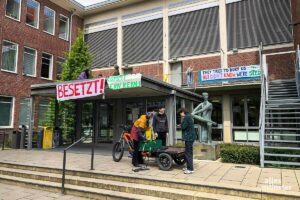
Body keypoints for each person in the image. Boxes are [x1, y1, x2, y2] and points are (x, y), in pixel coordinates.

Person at [179, 108, 196, 174]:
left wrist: (181, 124)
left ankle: (190, 169)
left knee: (188, 153)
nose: (180, 115)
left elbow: (183, 127)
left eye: (180, 113)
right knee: (189, 152)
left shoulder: (186, 117)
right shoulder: (189, 116)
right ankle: (188, 166)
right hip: (191, 137)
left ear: (183, 112)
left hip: (189, 137)